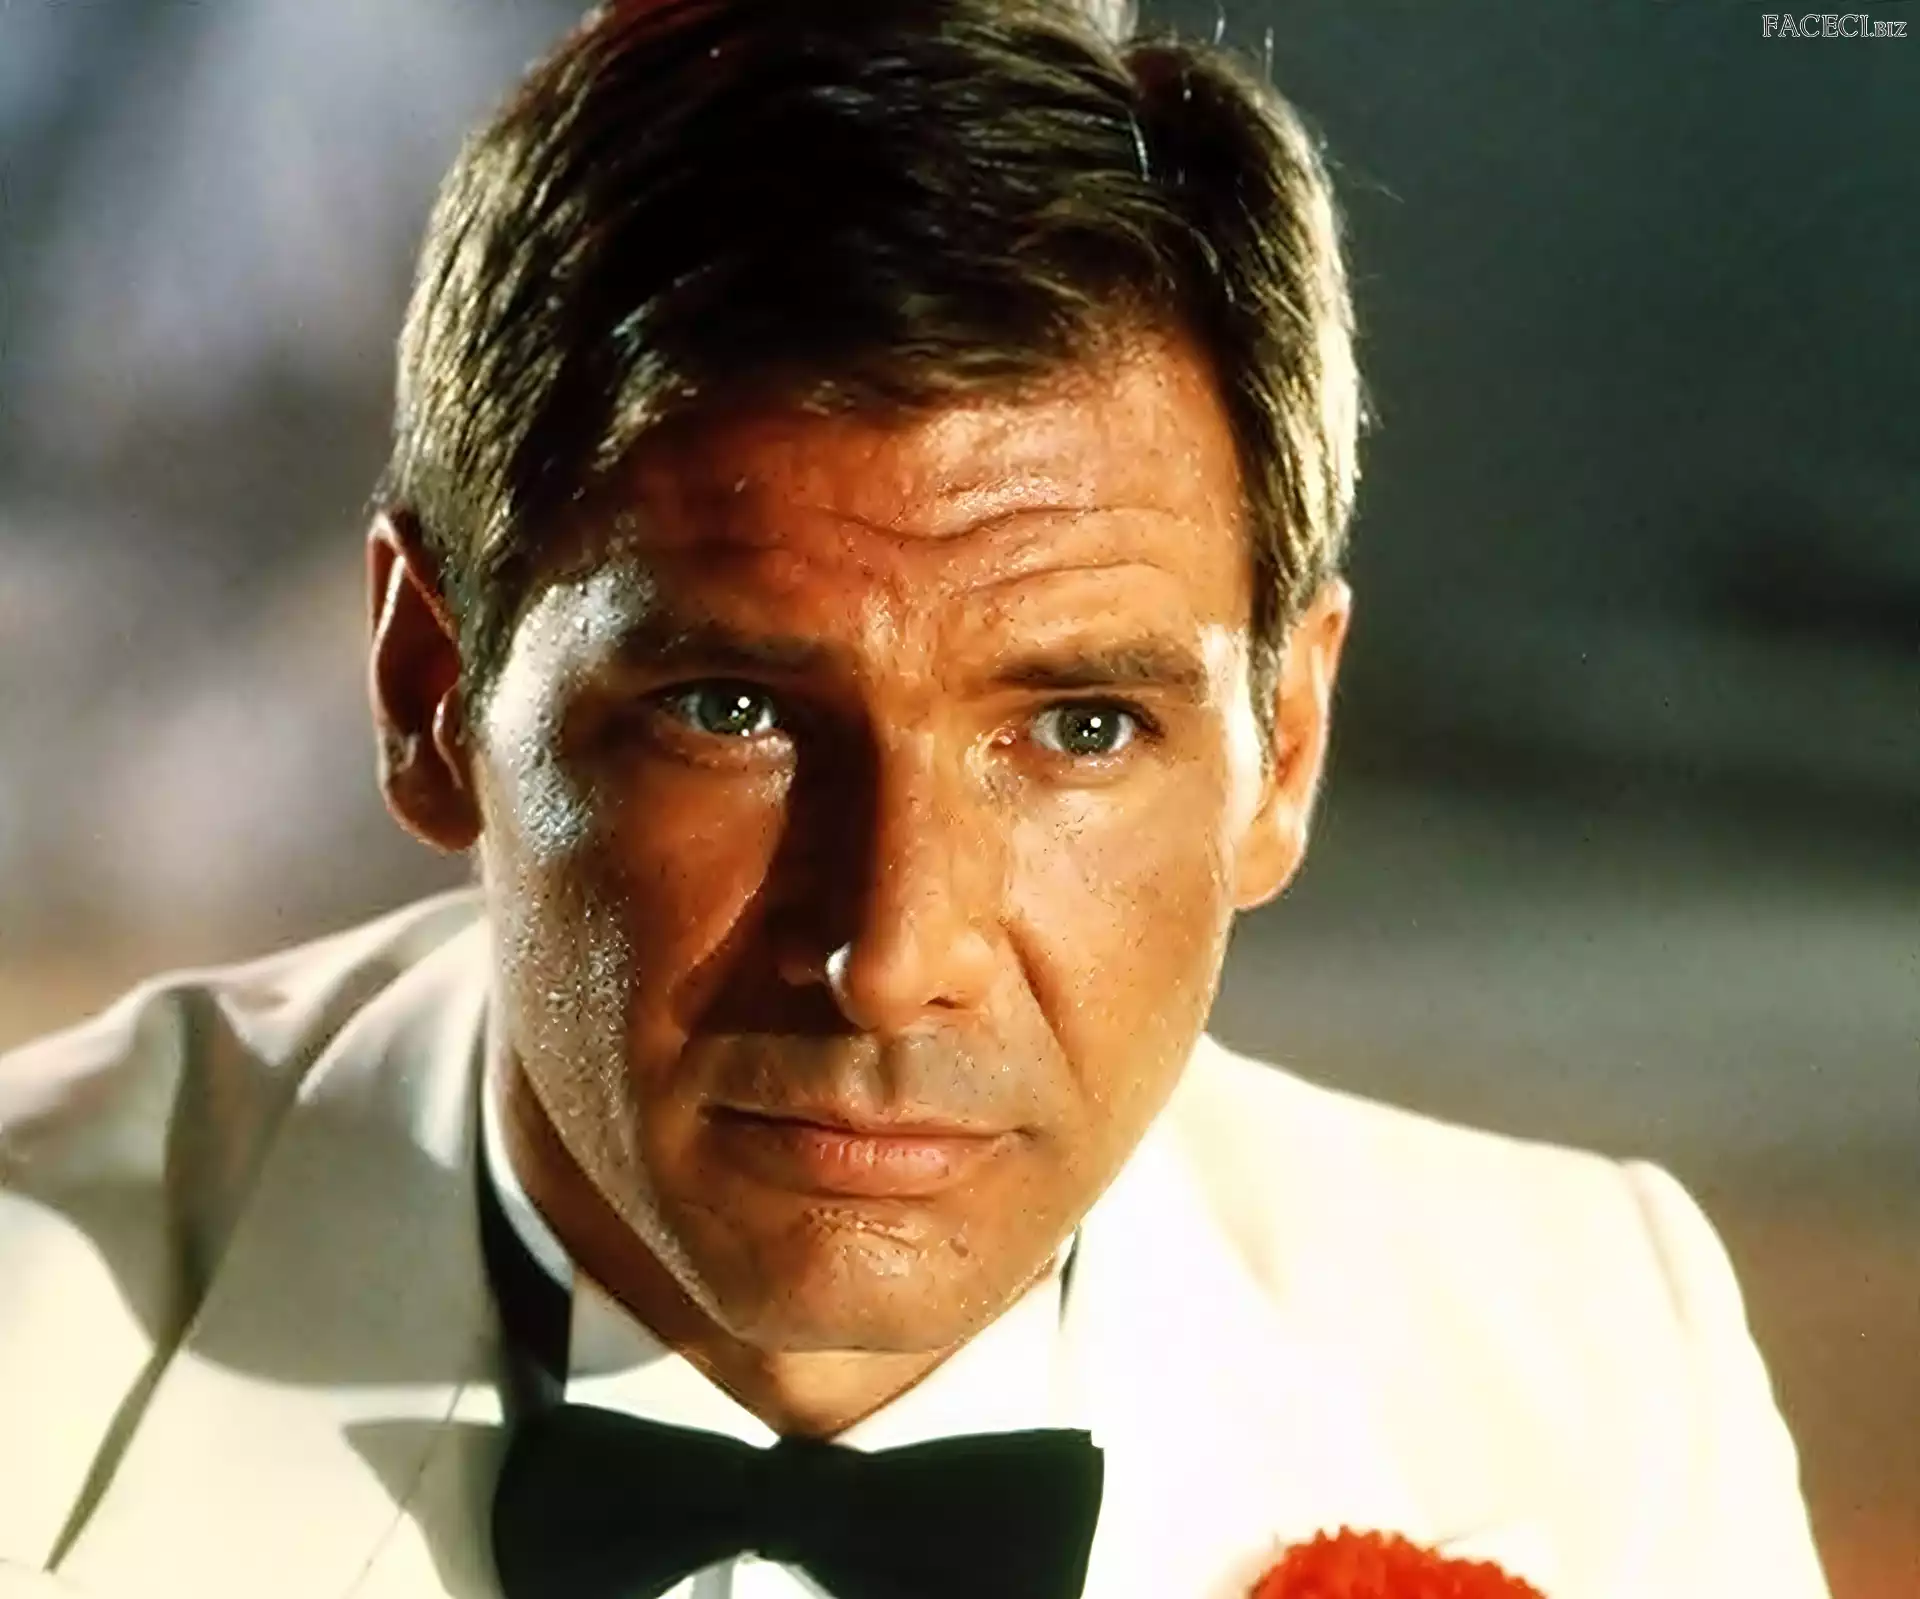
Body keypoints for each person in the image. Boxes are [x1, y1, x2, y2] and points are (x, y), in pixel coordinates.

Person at [0, 3, 1829, 1597]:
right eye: (731, 711)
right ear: (429, 690)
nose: (890, 956)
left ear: (1287, 747)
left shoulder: (1598, 1373)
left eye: (1083, 728)